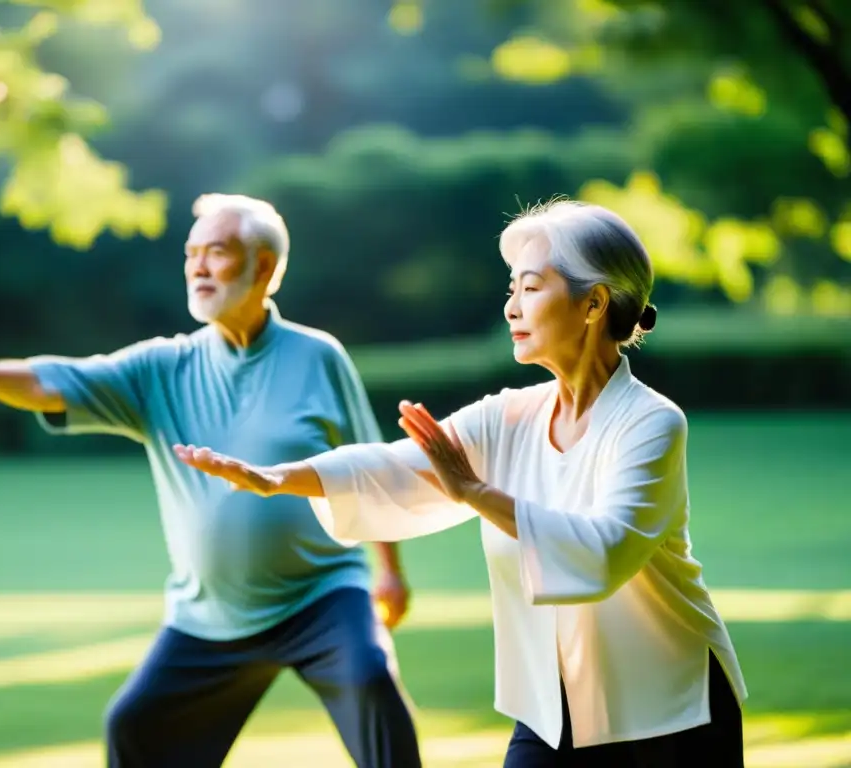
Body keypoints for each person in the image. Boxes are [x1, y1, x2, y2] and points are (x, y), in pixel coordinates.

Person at [174, 199, 749, 767]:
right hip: (556, 707)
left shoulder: (651, 422)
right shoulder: (509, 417)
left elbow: (604, 553)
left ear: (593, 302)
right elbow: (398, 468)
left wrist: (474, 492)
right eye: (511, 290)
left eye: (530, 287)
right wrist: (278, 478)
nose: (511, 308)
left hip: (673, 710)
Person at [0, 193, 422, 768]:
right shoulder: (162, 368)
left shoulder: (318, 357)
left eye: (216, 252)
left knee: (371, 681)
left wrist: (389, 573)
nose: (197, 266)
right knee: (134, 724)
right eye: (191, 253)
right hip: (209, 614)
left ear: (263, 267)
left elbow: (369, 469)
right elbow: (56, 382)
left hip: (320, 597)